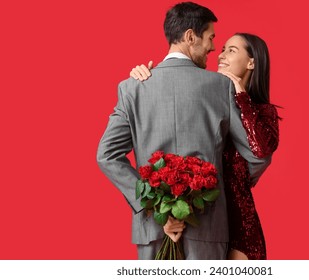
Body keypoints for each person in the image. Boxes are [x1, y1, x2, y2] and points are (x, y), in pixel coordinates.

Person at [97, 2, 271, 260]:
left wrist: (152, 204)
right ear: (191, 37)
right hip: (209, 227)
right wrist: (224, 185)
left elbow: (107, 156)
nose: (213, 47)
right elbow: (257, 156)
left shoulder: (132, 87)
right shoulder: (220, 86)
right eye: (211, 38)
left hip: (153, 229)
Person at [130, 33, 279, 260]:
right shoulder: (209, 94)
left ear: (251, 62)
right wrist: (147, 79)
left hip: (238, 221)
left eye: (231, 50)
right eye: (222, 49)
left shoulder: (263, 111)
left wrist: (241, 96)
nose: (220, 55)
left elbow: (260, 152)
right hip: (199, 218)